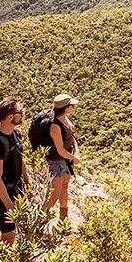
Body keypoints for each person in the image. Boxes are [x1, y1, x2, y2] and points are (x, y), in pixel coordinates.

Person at [0, 96, 32, 245]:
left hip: (18, 190)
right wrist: (9, 206)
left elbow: (20, 159)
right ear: (10, 117)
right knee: (9, 235)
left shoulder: (16, 134)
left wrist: (28, 183)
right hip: (2, 196)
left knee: (18, 231)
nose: (22, 114)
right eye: (20, 112)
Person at [43, 93, 81, 221]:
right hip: (56, 161)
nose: (73, 107)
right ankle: (40, 222)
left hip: (67, 159)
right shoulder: (55, 127)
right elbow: (60, 150)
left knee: (64, 188)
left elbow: (72, 137)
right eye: (71, 105)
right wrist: (74, 158)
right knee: (55, 194)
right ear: (65, 108)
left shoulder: (68, 119)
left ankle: (63, 219)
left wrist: (76, 152)